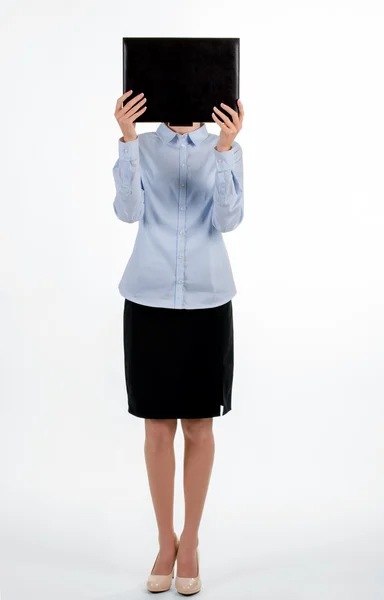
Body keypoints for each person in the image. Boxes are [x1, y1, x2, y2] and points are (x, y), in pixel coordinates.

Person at [112, 90, 244, 595]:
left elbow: (229, 220)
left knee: (199, 427)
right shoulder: (141, 148)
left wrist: (227, 148)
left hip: (208, 301)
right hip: (149, 300)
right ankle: (164, 542)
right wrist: (127, 138)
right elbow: (127, 211)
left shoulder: (224, 147)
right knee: (156, 428)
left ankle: (189, 542)